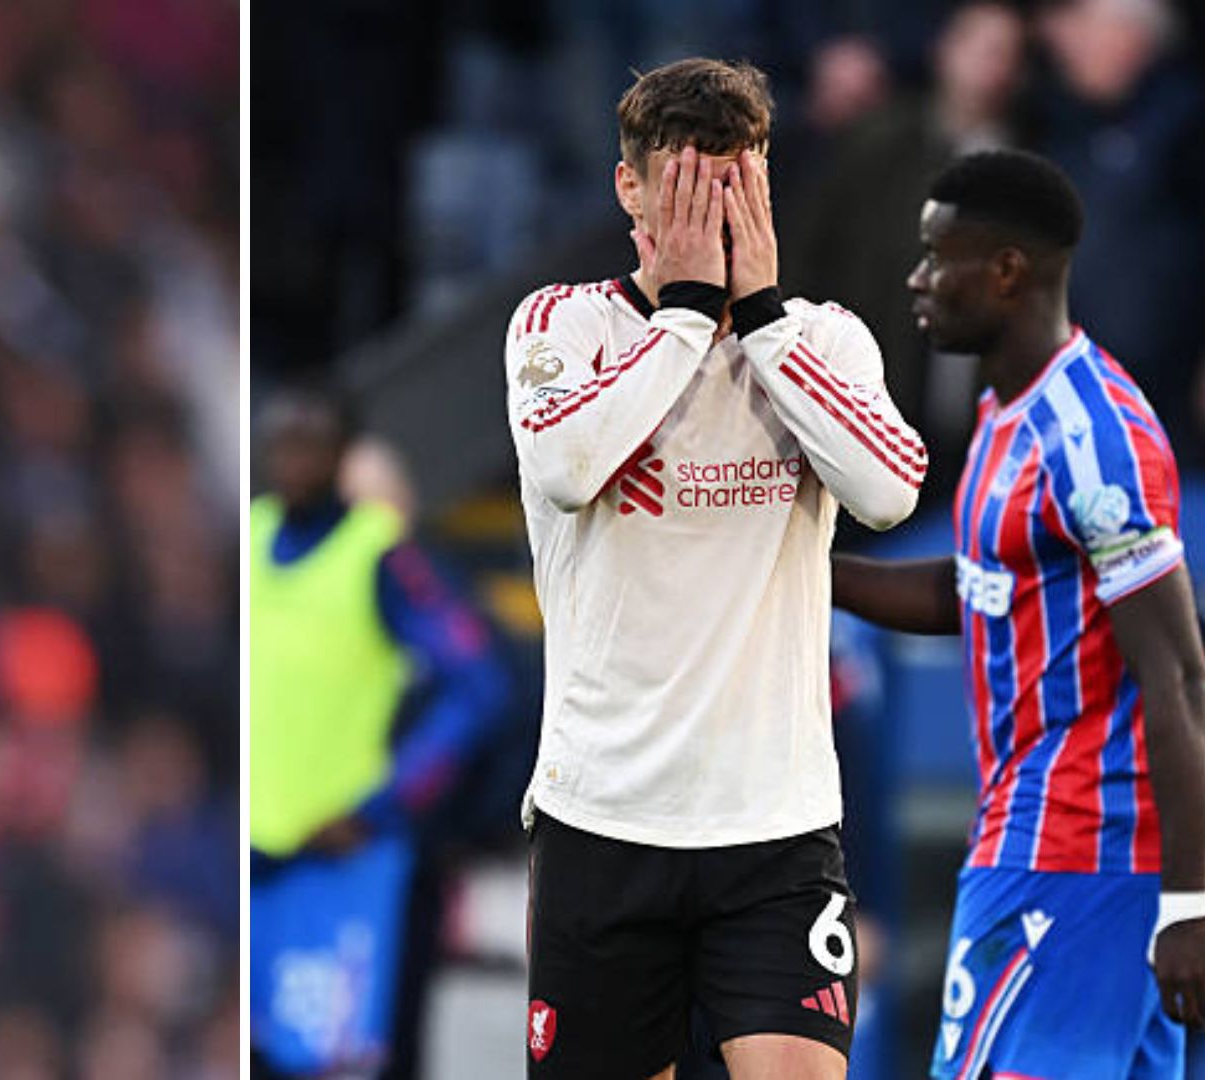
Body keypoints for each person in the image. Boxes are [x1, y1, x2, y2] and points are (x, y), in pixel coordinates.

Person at [505, 58, 926, 1079]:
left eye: (732, 185)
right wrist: (686, 316)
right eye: (685, 188)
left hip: (774, 832)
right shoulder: (562, 324)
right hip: (604, 821)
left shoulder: (822, 339)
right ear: (629, 189)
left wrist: (765, 318)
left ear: (766, 184)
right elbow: (566, 468)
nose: (709, 214)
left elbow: (889, 490)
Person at [832, 148, 1205, 1079]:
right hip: (1035, 845)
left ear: (1005, 271)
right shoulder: (1005, 415)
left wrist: (1190, 904)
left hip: (1075, 859)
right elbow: (975, 593)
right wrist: (800, 569)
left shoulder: (1097, 439)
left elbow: (1181, 675)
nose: (917, 279)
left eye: (936, 255)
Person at [249, 384, 508, 1077]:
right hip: (252, 858)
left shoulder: (381, 554)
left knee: (341, 1058)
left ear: (342, 451)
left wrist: (382, 806)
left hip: (338, 861)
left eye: (313, 440)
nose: (295, 455)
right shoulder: (249, 533)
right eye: (283, 439)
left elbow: (479, 687)